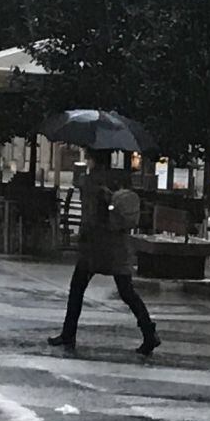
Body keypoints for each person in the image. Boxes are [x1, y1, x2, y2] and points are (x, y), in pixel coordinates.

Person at [49, 148, 161, 355]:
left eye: (89, 157)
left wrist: (83, 235)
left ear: (93, 159)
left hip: (96, 244)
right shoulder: (121, 178)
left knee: (77, 289)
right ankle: (148, 332)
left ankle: (68, 333)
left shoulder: (91, 182)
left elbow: (91, 215)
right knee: (127, 292)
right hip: (118, 243)